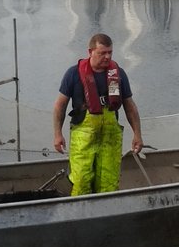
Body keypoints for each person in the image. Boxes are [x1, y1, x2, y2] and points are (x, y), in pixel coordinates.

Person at [53, 33, 143, 195]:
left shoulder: (117, 74)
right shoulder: (73, 74)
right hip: (83, 138)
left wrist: (137, 134)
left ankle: (106, 213)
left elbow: (130, 107)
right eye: (102, 53)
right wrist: (58, 134)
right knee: (81, 180)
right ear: (91, 52)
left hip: (110, 138)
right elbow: (60, 106)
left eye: (110, 52)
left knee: (108, 183)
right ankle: (80, 214)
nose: (107, 57)